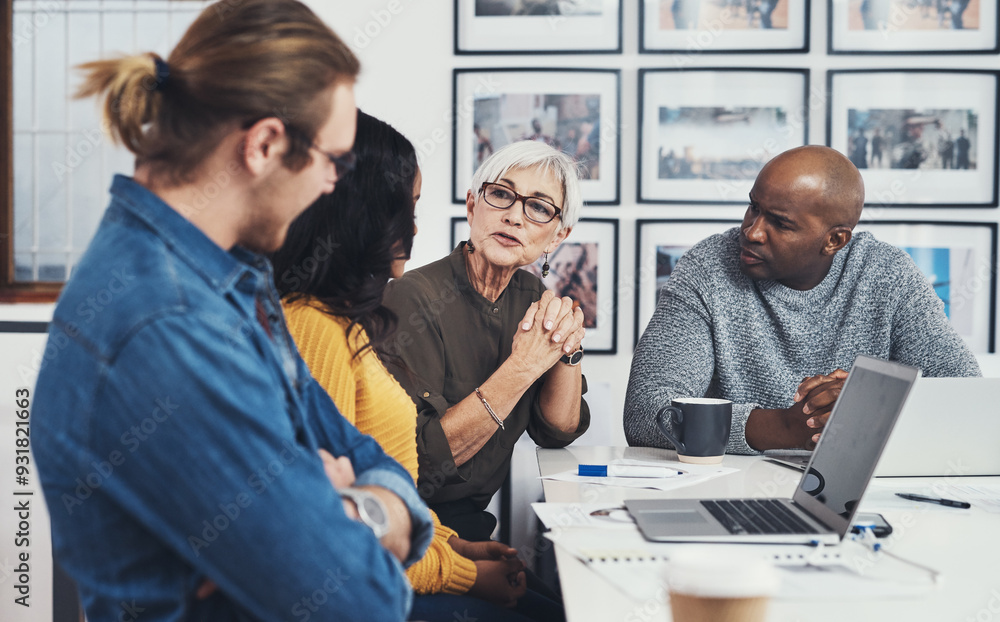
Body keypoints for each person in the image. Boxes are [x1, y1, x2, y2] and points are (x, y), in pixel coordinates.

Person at [31, 2, 433, 621]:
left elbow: (362, 453)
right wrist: (366, 513)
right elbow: (360, 602)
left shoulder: (230, 278)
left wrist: (355, 508)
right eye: (333, 160)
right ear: (265, 144)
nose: (333, 184)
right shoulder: (168, 325)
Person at [274, 111, 553, 621]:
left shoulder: (345, 323)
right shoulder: (316, 327)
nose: (417, 227)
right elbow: (341, 530)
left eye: (537, 208)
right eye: (409, 208)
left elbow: (383, 486)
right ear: (363, 215)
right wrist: (464, 572)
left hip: (428, 545)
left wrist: (452, 545)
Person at [624, 145, 980, 455]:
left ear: (834, 240)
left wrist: (871, 402)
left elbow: (966, 399)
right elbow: (645, 412)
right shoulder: (708, 267)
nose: (752, 231)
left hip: (849, 486)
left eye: (780, 223)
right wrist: (788, 427)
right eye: (753, 207)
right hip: (732, 483)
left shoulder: (888, 274)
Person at [382, 141, 591, 544]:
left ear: (557, 236)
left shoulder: (533, 296)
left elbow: (558, 430)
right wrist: (523, 367)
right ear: (472, 207)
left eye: (539, 207)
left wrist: (569, 341)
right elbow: (420, 463)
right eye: (501, 194)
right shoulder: (412, 297)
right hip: (409, 530)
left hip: (475, 530)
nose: (514, 216)